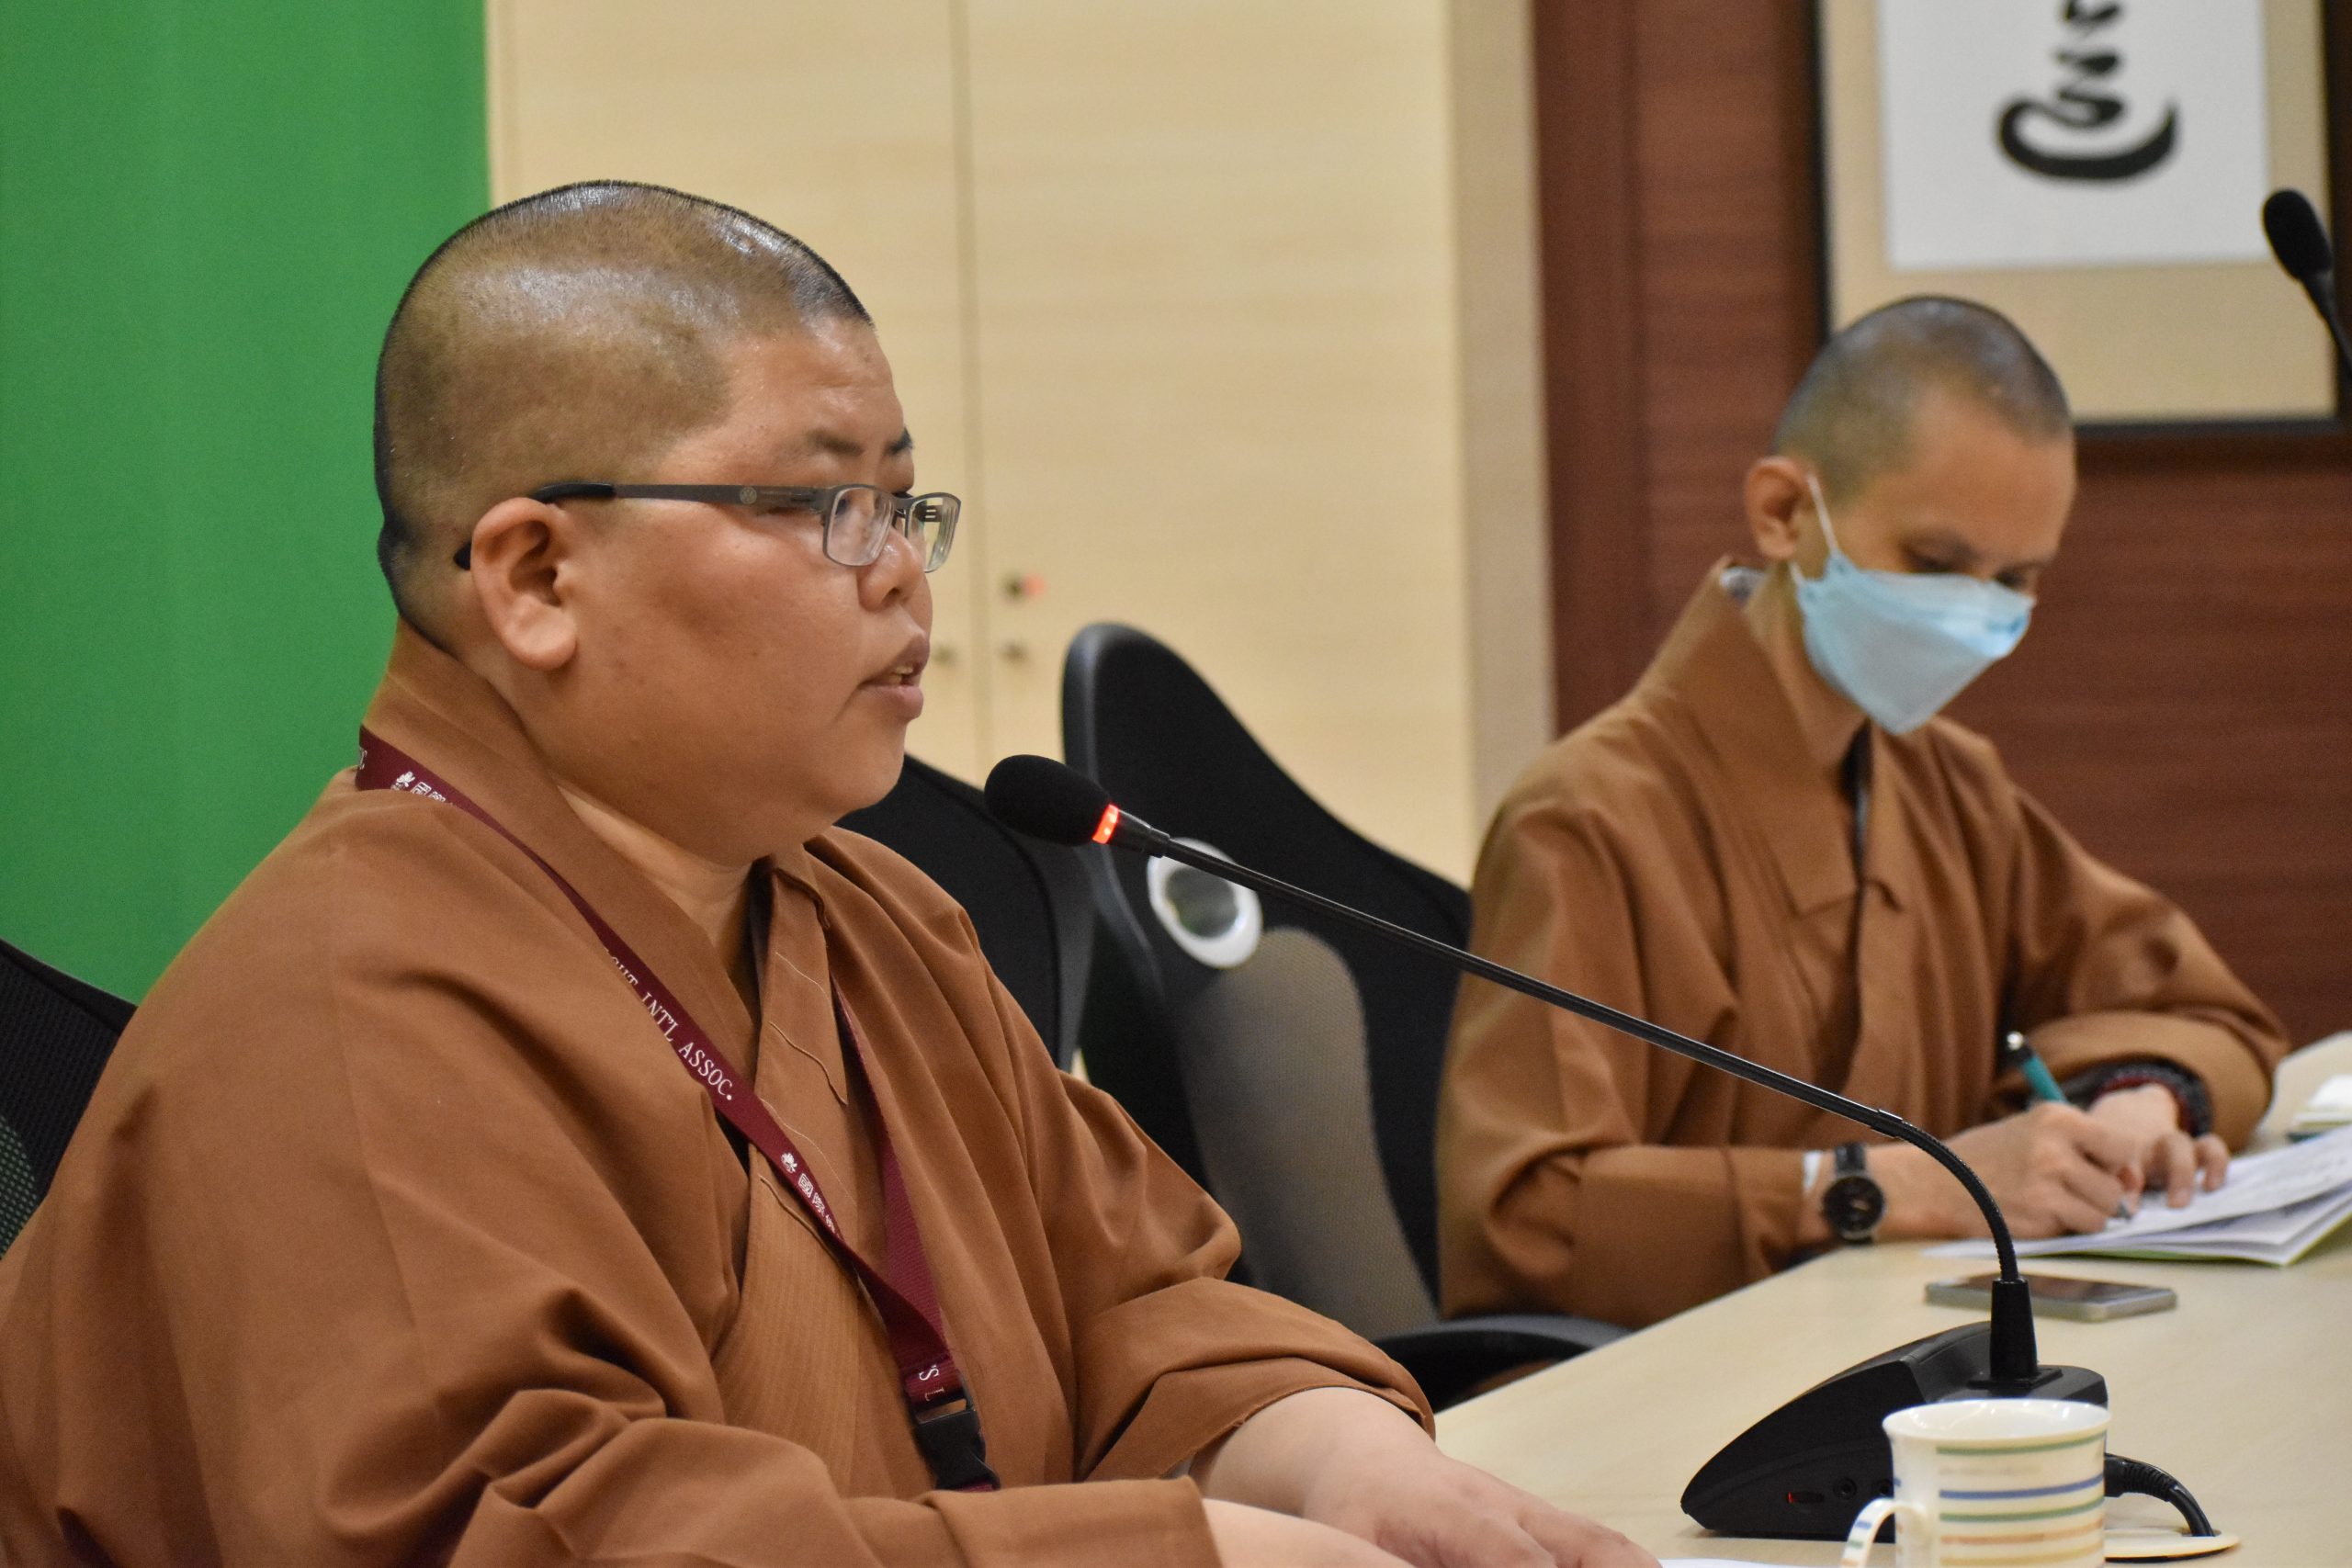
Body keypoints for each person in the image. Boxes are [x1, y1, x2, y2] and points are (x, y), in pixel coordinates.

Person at [0, 182, 1648, 1568]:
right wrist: (1196, 1550)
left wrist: (1348, 1466)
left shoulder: (873, 917)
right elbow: (530, 1531)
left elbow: (1143, 1303)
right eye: (822, 504)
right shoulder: (339, 1011)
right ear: (536, 575)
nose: (904, 578)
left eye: (905, 502)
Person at [1438, 297, 2288, 1331]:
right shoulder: (1585, 819)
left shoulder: (1950, 787)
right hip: (1676, 1372)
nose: (1973, 612)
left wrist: (2139, 1103)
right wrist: (1882, 1188)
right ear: (1783, 513)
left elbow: (2208, 1015)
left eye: (2015, 580)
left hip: (1917, 1353)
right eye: (1934, 564)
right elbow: (1524, 1216)